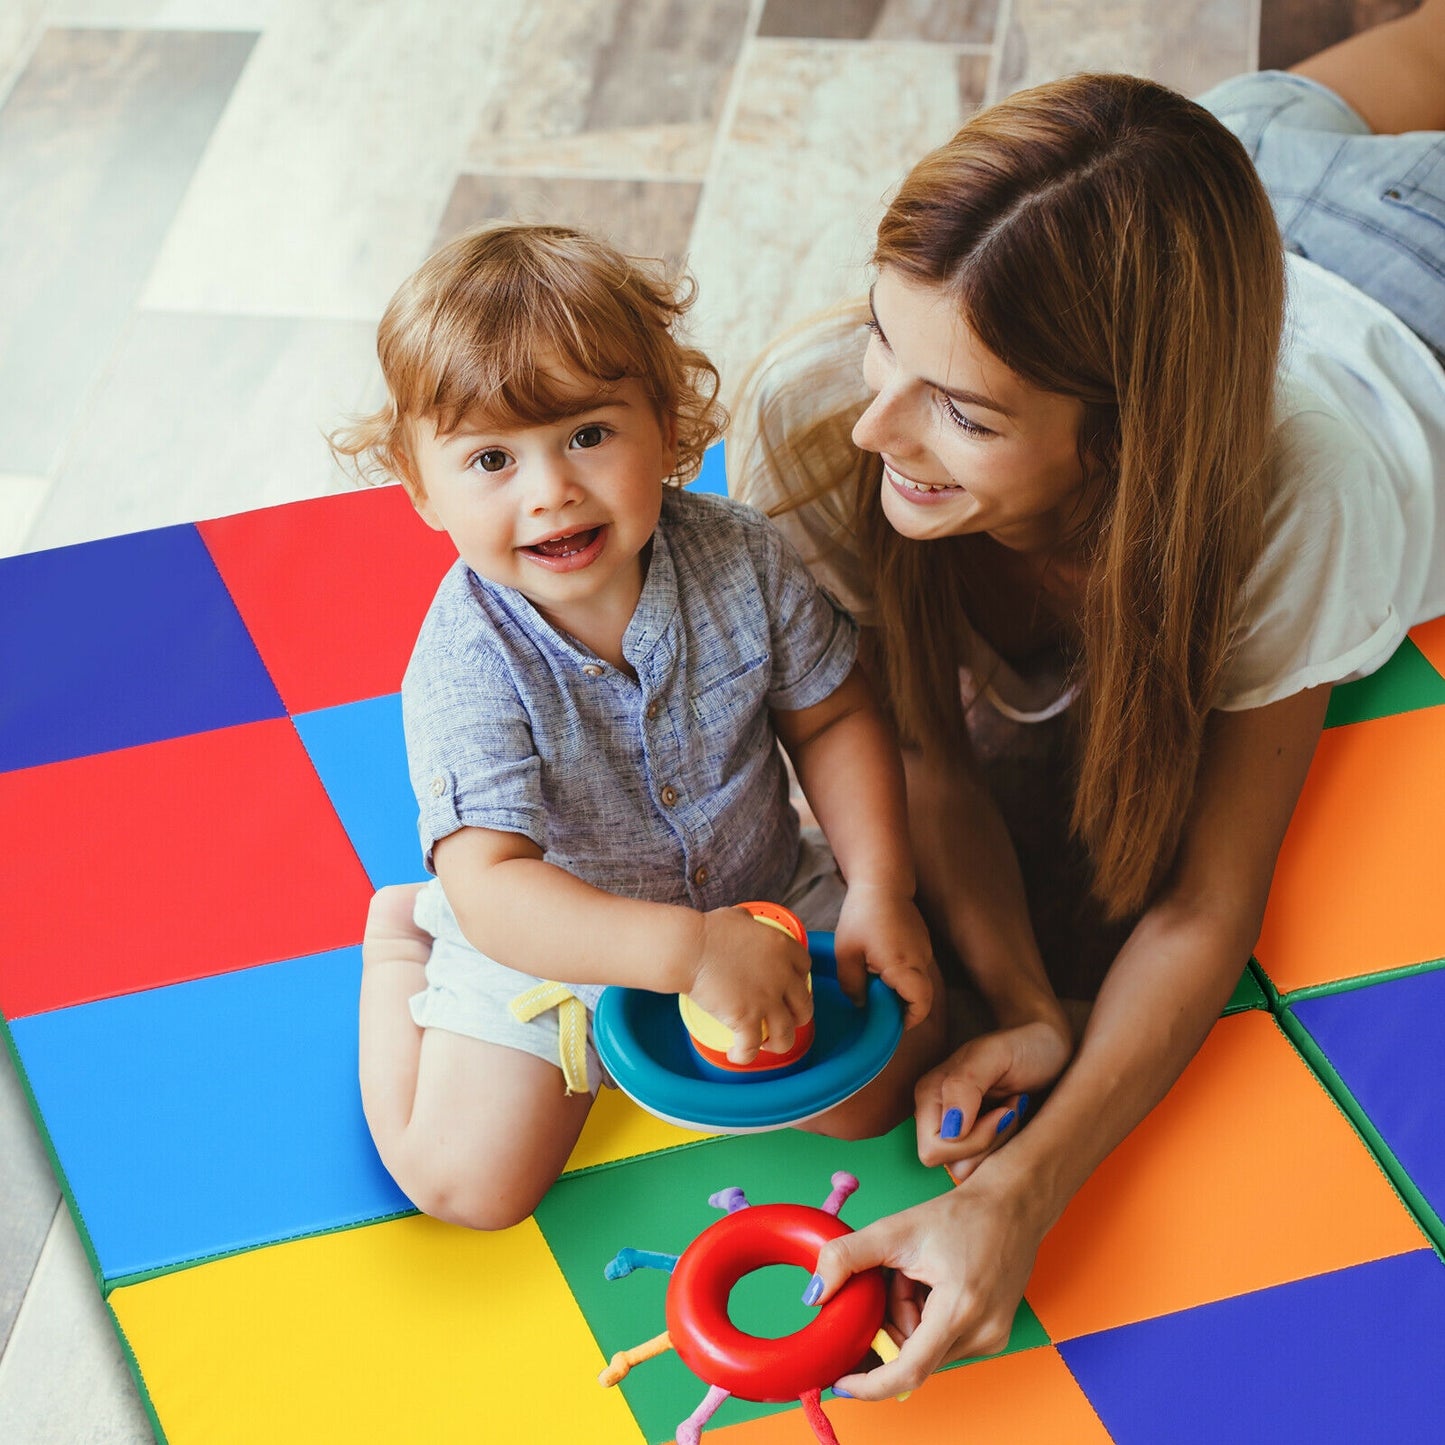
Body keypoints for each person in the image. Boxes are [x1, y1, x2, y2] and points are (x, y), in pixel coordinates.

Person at [729, 2, 1445, 1396]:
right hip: (1225, 183)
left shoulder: (1296, 505)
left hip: (1414, 283)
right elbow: (916, 750)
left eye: (965, 413)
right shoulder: (821, 417)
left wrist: (1023, 1194)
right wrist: (1022, 1000)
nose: (880, 427)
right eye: (888, 337)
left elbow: (1202, 905)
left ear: (1123, 448)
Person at [330, 223, 946, 1232]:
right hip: (543, 942)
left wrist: (880, 882)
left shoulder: (740, 555)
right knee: (468, 1187)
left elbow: (832, 715)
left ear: (666, 426)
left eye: (586, 434)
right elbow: (495, 883)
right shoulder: (464, 663)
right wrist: (683, 954)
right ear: (419, 487)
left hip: (760, 887)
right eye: (490, 458)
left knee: (882, 1089)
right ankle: (400, 941)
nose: (550, 489)